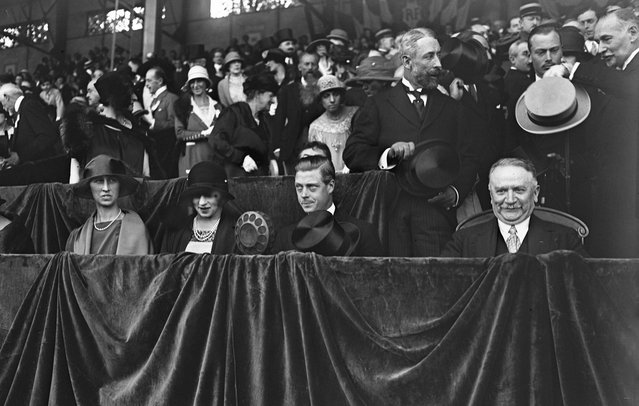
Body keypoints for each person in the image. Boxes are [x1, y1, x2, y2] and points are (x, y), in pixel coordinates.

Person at [343, 28, 480, 257]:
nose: (438, 64)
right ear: (407, 61)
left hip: (435, 213)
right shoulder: (378, 104)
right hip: (389, 211)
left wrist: (455, 192)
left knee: (435, 279)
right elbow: (354, 152)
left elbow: (469, 156)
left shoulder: (452, 108)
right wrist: (388, 155)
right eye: (429, 56)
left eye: (438, 55)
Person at [441, 158, 586, 257]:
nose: (510, 200)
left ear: (535, 193)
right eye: (501, 191)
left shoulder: (566, 240)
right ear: (491, 195)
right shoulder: (462, 241)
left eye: (519, 190)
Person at [272, 155, 383, 256]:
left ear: (330, 186)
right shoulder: (285, 237)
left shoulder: (364, 233)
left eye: (312, 187)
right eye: (299, 188)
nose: (304, 194)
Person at [62, 71, 154, 183]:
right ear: (115, 95)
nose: (134, 97)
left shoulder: (138, 134)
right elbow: (75, 179)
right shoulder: (86, 131)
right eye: (129, 92)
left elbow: (146, 179)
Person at [65, 154, 153, 254]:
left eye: (112, 180)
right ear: (89, 187)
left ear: (120, 185)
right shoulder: (76, 238)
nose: (106, 188)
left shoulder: (137, 230)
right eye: (99, 181)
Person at [160, 161, 241, 254]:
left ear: (221, 196)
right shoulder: (176, 231)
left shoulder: (237, 232)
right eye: (197, 195)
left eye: (208, 195)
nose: (202, 203)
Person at [210, 72, 279, 178]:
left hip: (258, 181)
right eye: (270, 96)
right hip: (234, 178)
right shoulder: (234, 113)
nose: (274, 100)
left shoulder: (264, 120)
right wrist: (241, 158)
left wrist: (271, 160)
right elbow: (216, 141)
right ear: (258, 94)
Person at [272, 52, 324, 174]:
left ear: (317, 67)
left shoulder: (323, 90)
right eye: (306, 64)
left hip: (318, 144)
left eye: (313, 64)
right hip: (292, 145)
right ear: (300, 67)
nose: (310, 67)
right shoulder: (288, 90)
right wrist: (276, 146)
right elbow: (279, 118)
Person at [173, 65, 222, 177]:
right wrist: (203, 133)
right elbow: (179, 133)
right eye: (192, 82)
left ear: (206, 83)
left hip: (213, 156)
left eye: (199, 81)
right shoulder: (182, 106)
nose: (195, 85)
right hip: (191, 156)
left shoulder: (217, 106)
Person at [0, 83, 62, 170]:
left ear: (7, 97)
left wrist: (20, 156)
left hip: (42, 169)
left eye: (3, 104)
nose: (4, 108)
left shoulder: (29, 105)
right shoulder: (23, 109)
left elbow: (47, 136)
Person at [308, 75, 358, 173]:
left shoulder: (355, 114)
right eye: (326, 96)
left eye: (335, 94)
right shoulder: (315, 127)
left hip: (355, 173)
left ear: (341, 95)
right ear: (320, 100)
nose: (332, 100)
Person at [143, 66, 179, 178]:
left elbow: (174, 124)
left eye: (149, 80)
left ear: (160, 81)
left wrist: (153, 123)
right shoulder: (155, 99)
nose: (146, 84)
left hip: (167, 153)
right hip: (156, 151)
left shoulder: (171, 98)